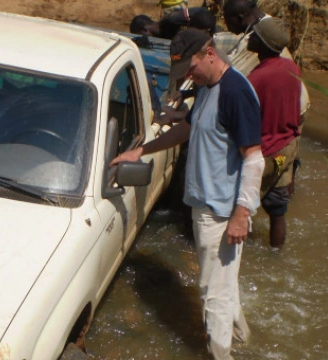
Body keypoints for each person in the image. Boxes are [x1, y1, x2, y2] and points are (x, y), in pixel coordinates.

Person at [111, 29, 263, 360]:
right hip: (205, 205)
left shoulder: (235, 92)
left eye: (191, 69)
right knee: (224, 286)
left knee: (212, 294)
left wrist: (241, 215)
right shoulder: (208, 87)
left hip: (222, 213)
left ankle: (221, 355)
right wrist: (143, 151)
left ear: (210, 53)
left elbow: (254, 158)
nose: (188, 77)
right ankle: (243, 339)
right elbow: (189, 128)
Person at [218, 0, 310, 195]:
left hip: (271, 140)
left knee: (246, 202)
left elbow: (245, 111)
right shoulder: (289, 64)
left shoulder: (258, 73)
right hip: (288, 134)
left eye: (256, 37)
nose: (251, 38)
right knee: (278, 199)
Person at [245, 17, 302, 250]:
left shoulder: (256, 78)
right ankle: (276, 255)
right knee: (277, 211)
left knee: (239, 206)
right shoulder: (291, 68)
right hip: (287, 147)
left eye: (255, 35)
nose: (250, 37)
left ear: (264, 44)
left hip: (266, 151)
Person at [129, 7, 217, 40]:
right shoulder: (161, 38)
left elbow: (202, 12)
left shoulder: (172, 19)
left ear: (144, 30)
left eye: (141, 36)